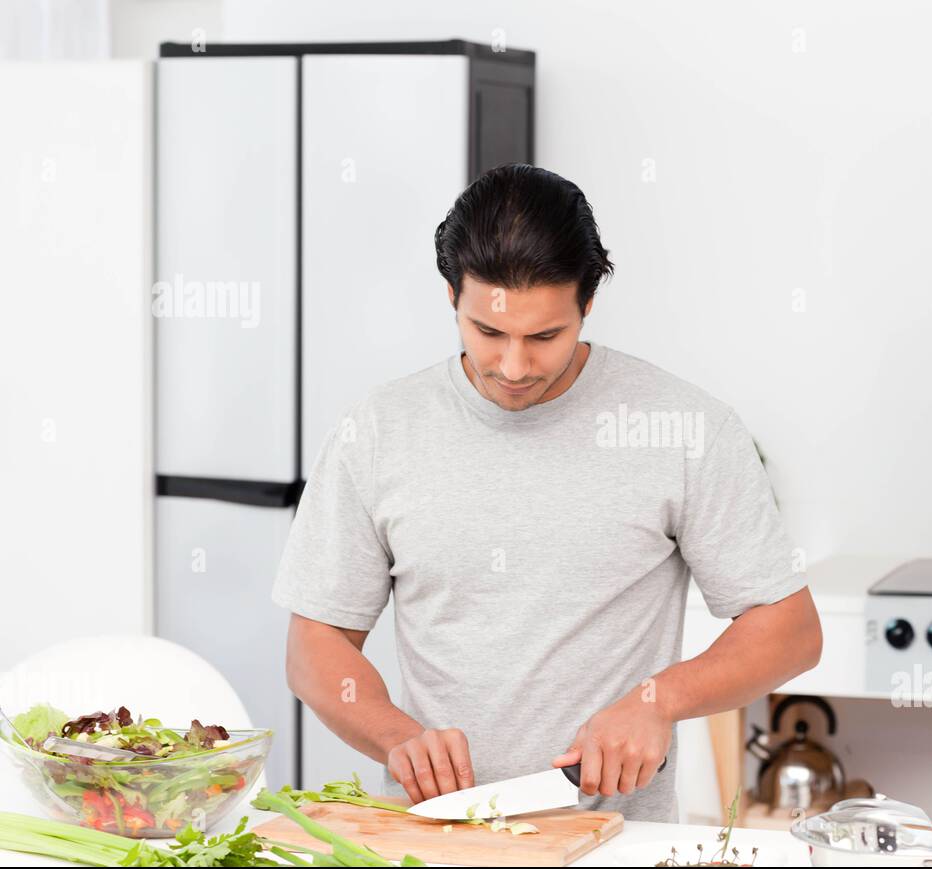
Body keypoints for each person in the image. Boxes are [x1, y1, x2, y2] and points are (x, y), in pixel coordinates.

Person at [271, 163, 822, 822]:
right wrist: (396, 736)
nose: (513, 366)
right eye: (488, 332)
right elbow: (316, 645)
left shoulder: (684, 430)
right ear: (452, 297)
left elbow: (790, 632)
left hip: (616, 843)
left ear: (588, 304)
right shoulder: (378, 433)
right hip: (442, 838)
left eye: (545, 336)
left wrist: (660, 700)